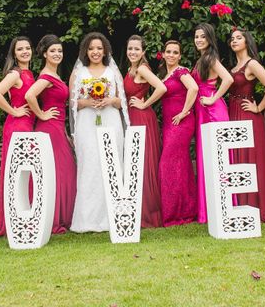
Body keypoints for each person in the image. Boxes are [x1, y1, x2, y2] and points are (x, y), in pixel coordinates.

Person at [69, 32, 129, 233]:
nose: (95, 52)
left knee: (112, 165)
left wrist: (111, 100)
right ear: (86, 51)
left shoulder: (113, 73)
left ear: (105, 51)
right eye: (92, 48)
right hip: (87, 123)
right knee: (90, 165)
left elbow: (123, 102)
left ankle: (111, 217)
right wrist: (85, 102)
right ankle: (87, 220)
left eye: (99, 48)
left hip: (111, 120)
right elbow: (72, 104)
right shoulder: (79, 73)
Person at [25, 34, 77, 234]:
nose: (57, 54)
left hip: (57, 129)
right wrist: (41, 114)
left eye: (60, 51)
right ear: (45, 53)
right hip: (48, 129)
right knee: (56, 172)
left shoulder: (54, 75)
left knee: (64, 171)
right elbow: (30, 95)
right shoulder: (46, 76)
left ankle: (61, 215)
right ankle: (52, 217)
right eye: (53, 51)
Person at [228, 28, 265, 222]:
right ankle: (240, 203)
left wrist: (259, 108)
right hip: (233, 113)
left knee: (251, 158)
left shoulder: (252, 64)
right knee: (238, 158)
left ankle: (258, 206)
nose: (234, 41)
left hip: (247, 114)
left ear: (247, 41)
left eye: (238, 38)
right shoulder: (233, 66)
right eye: (232, 39)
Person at [0, 36, 33, 236]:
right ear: (14, 54)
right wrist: (13, 111)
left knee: (26, 172)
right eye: (20, 49)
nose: (25, 51)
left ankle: (26, 216)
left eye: (27, 48)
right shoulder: (15, 74)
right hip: (18, 126)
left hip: (27, 125)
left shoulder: (29, 73)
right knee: (18, 174)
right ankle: (13, 220)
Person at [192, 23, 233, 223]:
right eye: (196, 36)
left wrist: (213, 98)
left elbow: (228, 79)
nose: (199, 39)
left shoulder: (211, 58)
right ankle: (210, 208)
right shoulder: (202, 59)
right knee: (206, 158)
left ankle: (221, 207)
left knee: (216, 158)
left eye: (202, 37)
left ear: (209, 39)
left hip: (212, 111)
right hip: (202, 111)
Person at [124, 35, 166, 228]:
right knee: (136, 161)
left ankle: (147, 213)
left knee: (143, 161)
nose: (132, 52)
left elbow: (161, 87)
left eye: (136, 49)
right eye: (130, 48)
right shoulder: (131, 69)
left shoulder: (142, 68)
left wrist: (145, 104)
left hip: (142, 117)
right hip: (133, 117)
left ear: (143, 52)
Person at [157, 40, 198, 226]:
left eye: (175, 52)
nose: (172, 55)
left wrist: (184, 111)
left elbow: (194, 88)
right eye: (169, 51)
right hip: (169, 124)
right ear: (163, 54)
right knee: (179, 165)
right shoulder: (166, 74)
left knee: (168, 164)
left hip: (181, 123)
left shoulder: (181, 71)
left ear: (180, 56)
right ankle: (184, 209)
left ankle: (178, 212)